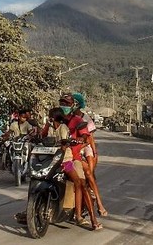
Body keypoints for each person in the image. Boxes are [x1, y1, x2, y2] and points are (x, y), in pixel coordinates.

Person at [59, 93, 103, 231]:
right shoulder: (56, 118)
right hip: (54, 157)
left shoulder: (78, 120)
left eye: (67, 104)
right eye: (62, 103)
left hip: (71, 158)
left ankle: (90, 218)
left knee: (81, 183)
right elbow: (44, 133)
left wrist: (81, 140)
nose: (64, 106)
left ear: (73, 106)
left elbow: (85, 135)